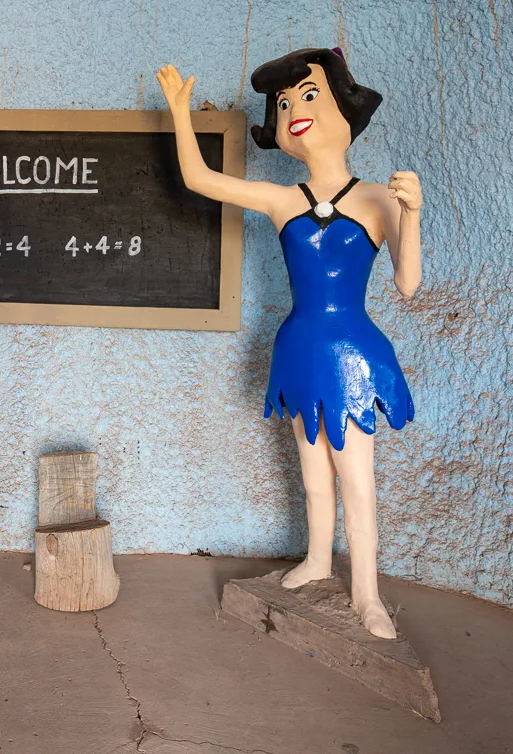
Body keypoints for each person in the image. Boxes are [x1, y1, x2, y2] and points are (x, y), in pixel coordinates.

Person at [156, 49, 422, 639]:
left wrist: (414, 215)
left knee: (357, 480)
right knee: (312, 474)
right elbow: (200, 180)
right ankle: (319, 560)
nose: (293, 110)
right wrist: (179, 113)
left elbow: (407, 282)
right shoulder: (283, 201)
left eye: (307, 96)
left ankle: (367, 596)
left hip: (352, 351)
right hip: (300, 348)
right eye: (283, 103)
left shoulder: (378, 198)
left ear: (345, 110)